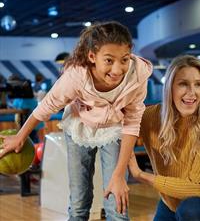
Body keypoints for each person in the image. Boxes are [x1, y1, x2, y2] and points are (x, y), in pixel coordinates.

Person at [0, 21, 152, 220]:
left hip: (114, 127)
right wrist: (21, 136)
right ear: (92, 57)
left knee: (117, 204)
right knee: (80, 201)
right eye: (108, 60)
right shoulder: (76, 76)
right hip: (79, 126)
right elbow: (47, 106)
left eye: (124, 59)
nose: (117, 69)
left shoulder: (137, 76)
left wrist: (119, 174)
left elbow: (132, 122)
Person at [128, 55, 200, 221]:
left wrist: (141, 175)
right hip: (169, 205)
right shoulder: (151, 117)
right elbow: (117, 125)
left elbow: (195, 188)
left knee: (190, 208)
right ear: (170, 87)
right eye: (183, 84)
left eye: (198, 84)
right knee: (182, 208)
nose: (192, 93)